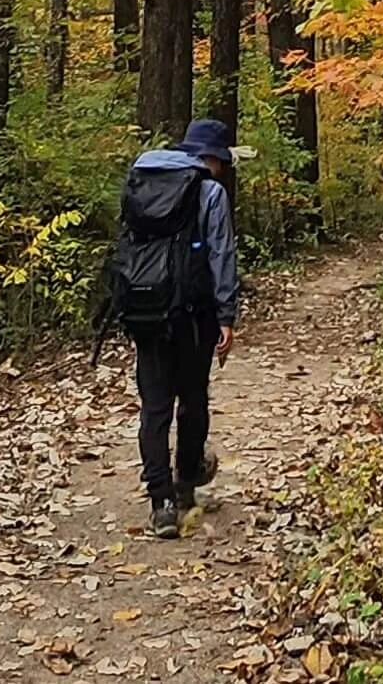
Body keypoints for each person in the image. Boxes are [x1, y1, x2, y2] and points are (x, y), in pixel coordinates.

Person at [115, 116, 240, 539]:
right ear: (212, 158)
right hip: (194, 314)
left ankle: (161, 504)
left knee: (153, 408)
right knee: (191, 400)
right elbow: (221, 254)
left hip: (146, 311)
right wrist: (226, 315)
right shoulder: (210, 192)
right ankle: (186, 486)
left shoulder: (143, 180)